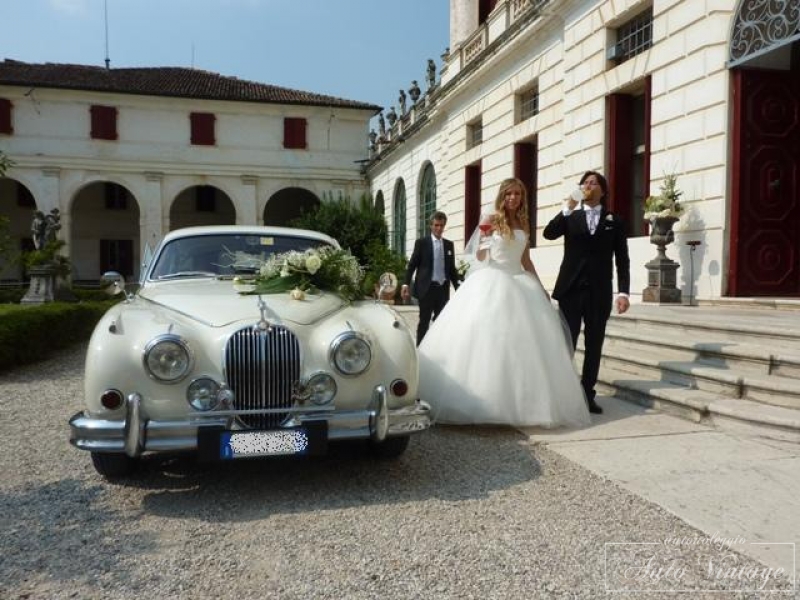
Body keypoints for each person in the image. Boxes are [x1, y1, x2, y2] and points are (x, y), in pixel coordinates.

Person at [417, 179, 590, 428]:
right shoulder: (492, 218)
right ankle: (479, 403)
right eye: (509, 193)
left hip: (519, 281)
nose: (513, 197)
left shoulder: (522, 222)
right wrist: (485, 237)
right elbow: (480, 257)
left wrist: (540, 286)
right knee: (486, 343)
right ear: (502, 195)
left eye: (518, 193)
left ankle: (524, 405)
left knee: (522, 348)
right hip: (492, 279)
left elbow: (526, 260)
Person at [543, 170, 631, 414]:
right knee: (566, 342)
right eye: (585, 183)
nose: (588, 185)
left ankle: (587, 394)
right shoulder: (571, 216)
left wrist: (623, 293)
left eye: (594, 183)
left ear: (603, 190)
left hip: (599, 292)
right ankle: (561, 392)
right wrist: (567, 208)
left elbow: (622, 259)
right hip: (571, 289)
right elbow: (548, 234)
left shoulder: (615, 220)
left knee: (594, 344)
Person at [402, 211, 460, 345]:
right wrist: (405, 284)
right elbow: (412, 265)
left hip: (442, 290)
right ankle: (421, 349)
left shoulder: (448, 245)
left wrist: (458, 287)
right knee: (424, 321)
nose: (439, 228)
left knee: (441, 321)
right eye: (436, 225)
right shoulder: (422, 243)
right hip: (426, 289)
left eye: (441, 225)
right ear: (431, 226)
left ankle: (436, 347)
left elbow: (451, 269)